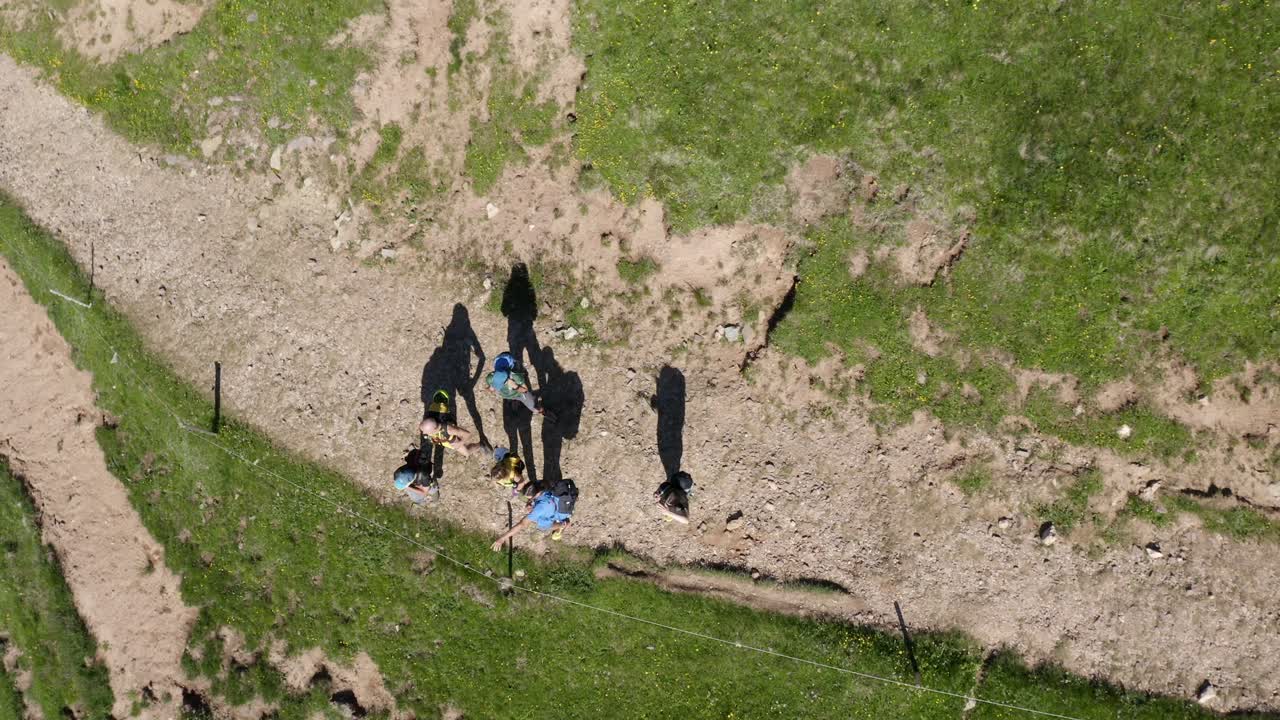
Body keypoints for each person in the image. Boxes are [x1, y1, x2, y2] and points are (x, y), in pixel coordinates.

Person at [491, 479, 577, 550]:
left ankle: (562, 524)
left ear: (536, 494)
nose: (529, 500)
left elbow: (522, 524)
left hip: (560, 512)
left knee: (544, 525)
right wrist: (530, 502)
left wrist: (502, 539)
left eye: (530, 498)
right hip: (555, 500)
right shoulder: (539, 484)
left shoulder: (540, 509)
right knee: (522, 497)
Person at [485, 352, 553, 420]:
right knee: (511, 398)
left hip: (520, 394)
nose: (496, 387)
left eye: (499, 385)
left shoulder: (516, 377)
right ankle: (514, 401)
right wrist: (490, 388)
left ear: (507, 380)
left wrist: (516, 387)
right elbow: (490, 387)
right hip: (508, 395)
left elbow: (525, 390)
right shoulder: (491, 377)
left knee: (535, 409)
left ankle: (544, 412)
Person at [419, 416, 489, 457]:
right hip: (443, 441)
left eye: (426, 432)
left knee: (467, 453)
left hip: (452, 441)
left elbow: (468, 434)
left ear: (434, 429)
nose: (424, 433)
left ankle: (481, 444)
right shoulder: (430, 426)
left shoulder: (449, 430)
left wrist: (460, 443)